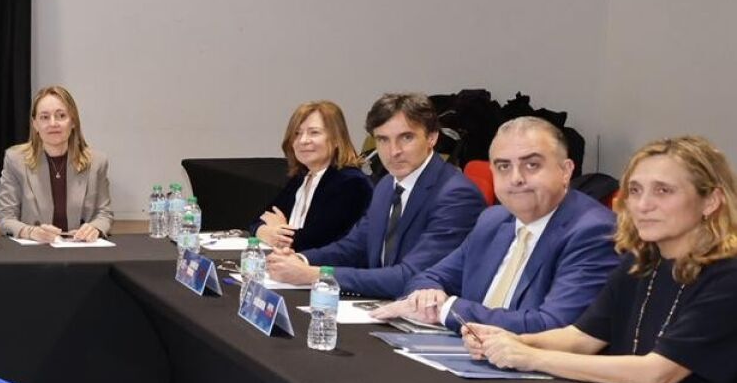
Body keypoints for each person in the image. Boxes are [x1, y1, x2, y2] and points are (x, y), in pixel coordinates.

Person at [468, 136, 737, 383]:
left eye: (663, 191)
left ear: (711, 200)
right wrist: (507, 340)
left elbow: (656, 375)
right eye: (636, 190)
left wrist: (529, 357)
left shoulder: (728, 278)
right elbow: (581, 337)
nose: (643, 205)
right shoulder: (640, 264)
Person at [375, 117, 617, 332]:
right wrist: (427, 296)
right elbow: (428, 277)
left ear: (565, 171)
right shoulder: (493, 220)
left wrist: (448, 309)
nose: (516, 178)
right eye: (503, 167)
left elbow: (552, 325)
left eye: (532, 165)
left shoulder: (594, 232)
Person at [268, 93, 484, 295]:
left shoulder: (457, 196)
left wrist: (314, 275)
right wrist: (299, 259)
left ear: (432, 138)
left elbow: (413, 276)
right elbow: (354, 248)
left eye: (406, 138)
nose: (394, 151)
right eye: (383, 139)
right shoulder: (386, 185)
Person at [249, 101, 372, 252]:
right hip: (289, 262)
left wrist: (280, 232)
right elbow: (260, 219)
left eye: (314, 133)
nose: (303, 140)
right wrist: (264, 231)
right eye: (297, 134)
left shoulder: (351, 183)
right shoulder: (301, 178)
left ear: (336, 139)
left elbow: (320, 241)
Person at [0, 85, 112, 242]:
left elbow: (104, 214)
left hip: (81, 249)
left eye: (61, 116)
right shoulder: (15, 160)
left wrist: (95, 228)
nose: (53, 123)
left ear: (73, 121)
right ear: (35, 124)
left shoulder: (97, 162)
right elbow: (4, 217)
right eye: (44, 117)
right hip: (34, 251)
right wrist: (31, 232)